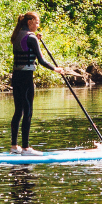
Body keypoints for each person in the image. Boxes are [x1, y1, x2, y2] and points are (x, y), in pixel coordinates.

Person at [9, 11, 63, 154]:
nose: (38, 25)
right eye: (37, 22)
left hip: (16, 77)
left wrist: (36, 39)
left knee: (18, 112)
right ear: (30, 22)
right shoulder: (31, 37)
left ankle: (14, 147)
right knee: (28, 111)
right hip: (26, 78)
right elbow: (41, 60)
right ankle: (26, 148)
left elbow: (26, 45)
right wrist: (55, 69)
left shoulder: (17, 35)